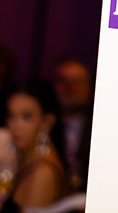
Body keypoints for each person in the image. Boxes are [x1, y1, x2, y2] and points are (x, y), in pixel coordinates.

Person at [0, 79, 68, 213]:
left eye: (26, 117)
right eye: (11, 116)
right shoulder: (31, 159)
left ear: (46, 122)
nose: (15, 126)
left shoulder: (44, 172)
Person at [50, 57, 93, 191]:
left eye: (78, 81)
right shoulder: (45, 125)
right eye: (63, 81)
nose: (70, 88)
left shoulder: (101, 128)